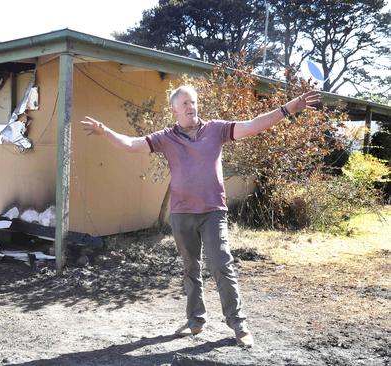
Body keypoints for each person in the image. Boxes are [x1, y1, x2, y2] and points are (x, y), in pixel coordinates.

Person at [80, 85, 319, 348]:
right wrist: (105, 131)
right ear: (174, 110)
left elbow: (252, 125)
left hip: (213, 211)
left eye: (193, 102)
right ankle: (195, 321)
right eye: (184, 104)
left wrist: (287, 109)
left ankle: (238, 324)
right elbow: (132, 145)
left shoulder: (216, 130)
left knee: (220, 264)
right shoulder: (165, 137)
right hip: (182, 214)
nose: (190, 107)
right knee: (190, 269)